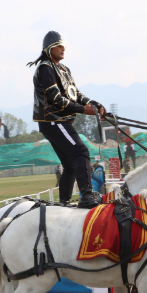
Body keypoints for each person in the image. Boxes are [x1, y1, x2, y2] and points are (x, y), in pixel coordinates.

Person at [29, 31, 105, 208]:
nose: (63, 48)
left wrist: (95, 104)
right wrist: (84, 110)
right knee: (81, 152)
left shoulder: (64, 70)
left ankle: (64, 203)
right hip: (53, 120)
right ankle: (86, 195)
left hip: (60, 121)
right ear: (49, 49)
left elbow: (76, 94)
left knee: (70, 165)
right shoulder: (45, 68)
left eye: (63, 45)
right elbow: (56, 99)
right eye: (59, 45)